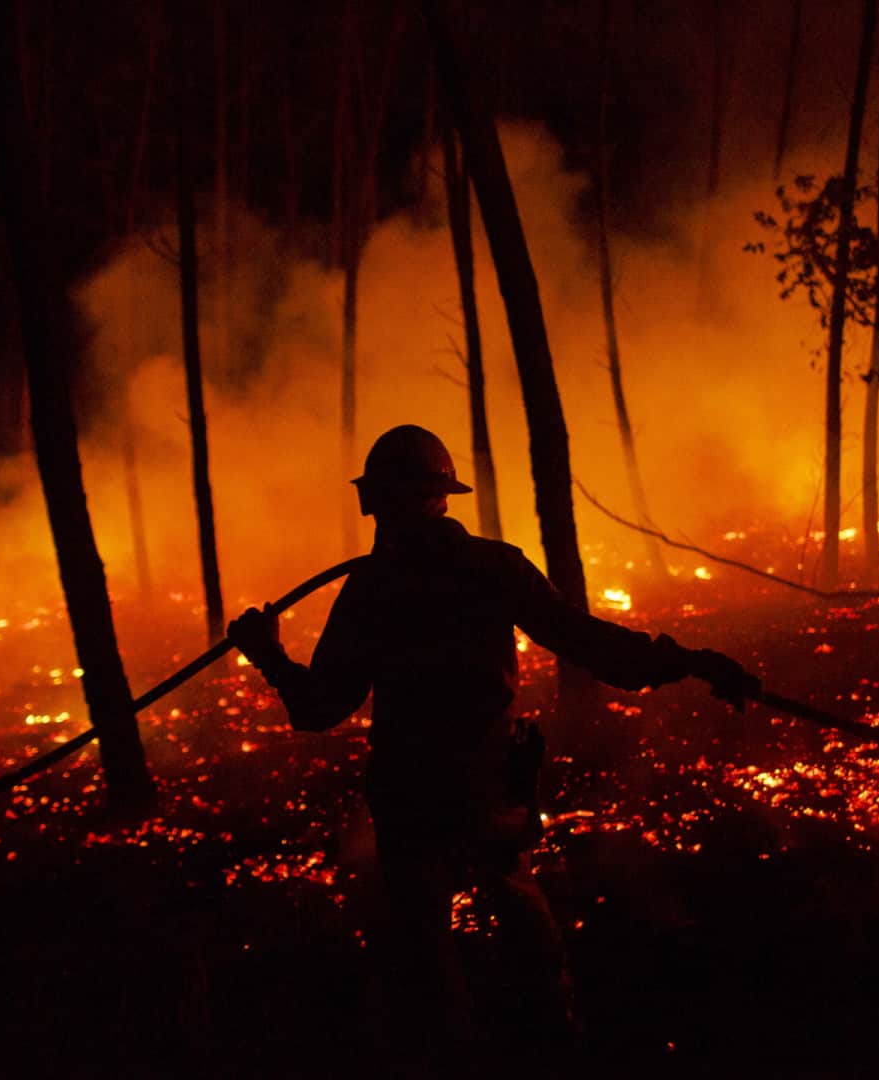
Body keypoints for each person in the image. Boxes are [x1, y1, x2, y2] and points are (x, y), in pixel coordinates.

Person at [225, 424, 756, 1055]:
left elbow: (318, 708)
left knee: (425, 967)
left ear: (382, 502)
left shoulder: (373, 588)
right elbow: (587, 643)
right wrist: (687, 662)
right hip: (486, 791)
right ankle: (556, 1049)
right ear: (442, 494)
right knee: (526, 945)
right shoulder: (490, 567)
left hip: (412, 799)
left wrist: (268, 655)